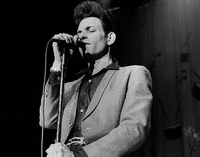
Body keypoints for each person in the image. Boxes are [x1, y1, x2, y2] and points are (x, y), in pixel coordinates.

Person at [39, 1, 153, 157]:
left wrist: (78, 155)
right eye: (78, 33)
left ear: (110, 38)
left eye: (90, 30)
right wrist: (58, 64)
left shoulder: (133, 74)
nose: (81, 36)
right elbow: (47, 120)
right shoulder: (70, 86)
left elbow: (134, 129)